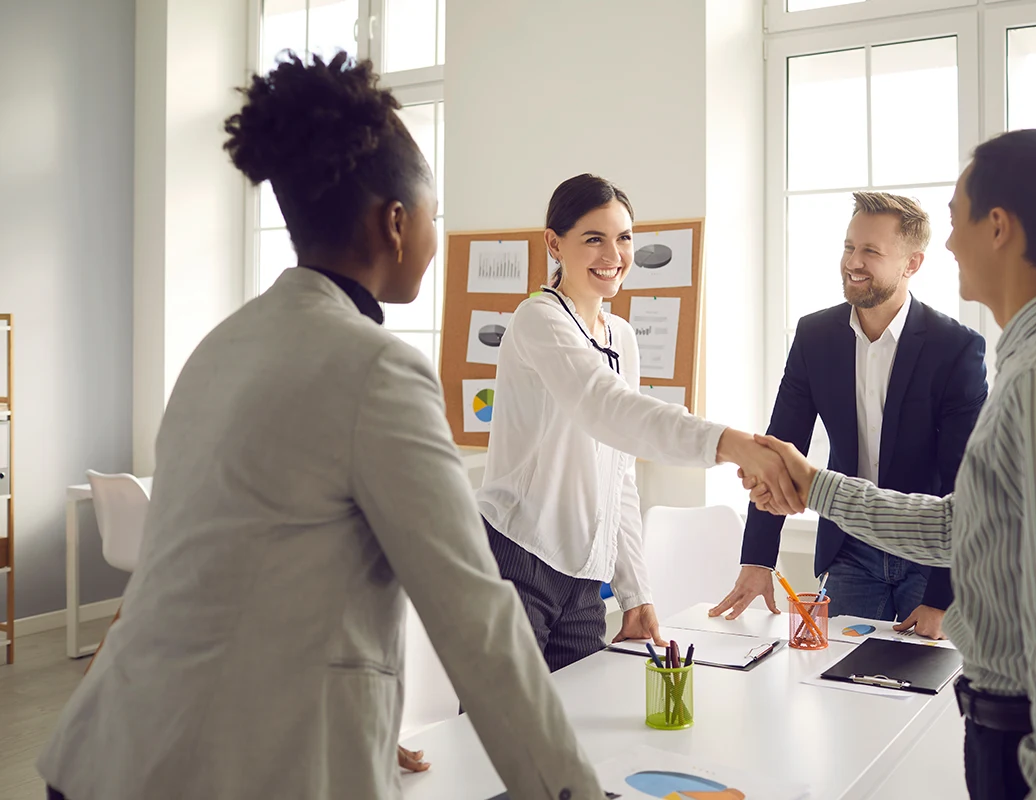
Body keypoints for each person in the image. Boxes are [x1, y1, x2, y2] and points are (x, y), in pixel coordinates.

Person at [37, 52, 609, 800]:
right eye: (437, 217)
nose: (438, 239)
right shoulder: (378, 369)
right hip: (219, 771)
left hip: (105, 748)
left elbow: (211, 577)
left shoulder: (223, 346)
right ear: (397, 224)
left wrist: (356, 721)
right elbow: (476, 618)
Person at [746, 129, 1036, 799]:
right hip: (1023, 733)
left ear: (997, 226)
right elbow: (966, 528)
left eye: (953, 220)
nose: (945, 244)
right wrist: (817, 486)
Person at [476, 173, 802, 673]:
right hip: (518, 560)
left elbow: (619, 477)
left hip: (585, 578)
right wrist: (731, 444)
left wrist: (635, 592)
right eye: (593, 239)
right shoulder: (537, 319)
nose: (613, 254)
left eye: (624, 238)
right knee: (496, 732)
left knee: (575, 730)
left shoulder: (621, 336)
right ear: (554, 244)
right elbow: (607, 409)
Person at [710, 192, 987, 638]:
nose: (853, 262)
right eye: (848, 247)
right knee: (837, 688)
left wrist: (943, 598)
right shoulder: (815, 335)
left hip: (929, 559)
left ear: (911, 264)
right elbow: (780, 448)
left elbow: (965, 483)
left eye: (871, 251)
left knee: (920, 693)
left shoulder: (955, 347)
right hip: (848, 552)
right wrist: (758, 559)